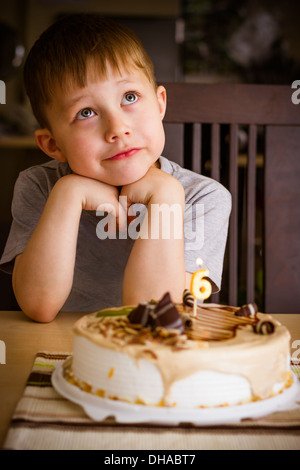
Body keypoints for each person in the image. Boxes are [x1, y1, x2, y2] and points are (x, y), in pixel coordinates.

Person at [0, 14, 231, 322]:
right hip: (63, 352)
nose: (117, 128)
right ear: (53, 145)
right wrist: (68, 193)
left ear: (159, 104)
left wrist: (165, 196)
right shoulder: (39, 187)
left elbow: (152, 317)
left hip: (154, 360)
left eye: (130, 97)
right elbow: (38, 307)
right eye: (86, 112)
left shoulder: (201, 197)